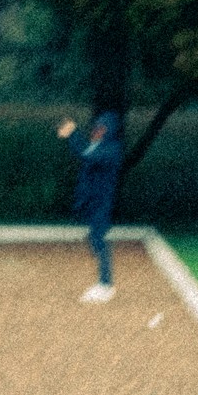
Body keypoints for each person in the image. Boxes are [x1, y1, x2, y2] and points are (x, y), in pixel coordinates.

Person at [61, 110, 122, 301]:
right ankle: (104, 283)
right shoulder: (99, 146)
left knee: (98, 238)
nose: (97, 131)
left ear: (109, 130)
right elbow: (86, 152)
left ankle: (105, 285)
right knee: (95, 238)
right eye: (96, 127)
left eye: (102, 128)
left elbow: (85, 154)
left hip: (102, 202)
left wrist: (72, 133)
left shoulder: (111, 149)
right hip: (93, 201)